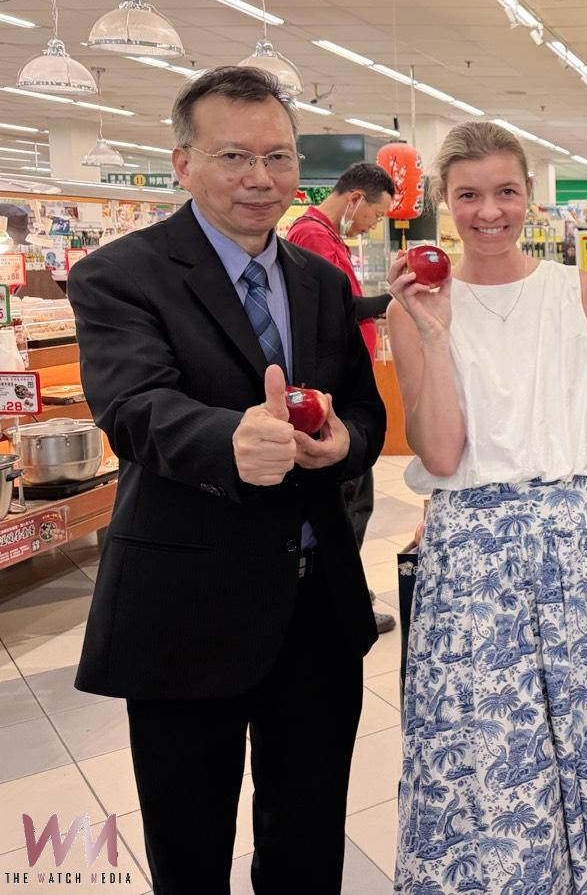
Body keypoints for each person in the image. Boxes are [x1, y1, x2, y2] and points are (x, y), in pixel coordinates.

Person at [67, 66, 387, 894]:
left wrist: (345, 442)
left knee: (308, 834)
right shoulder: (120, 275)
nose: (260, 178)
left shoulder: (321, 282)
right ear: (183, 163)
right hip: (188, 607)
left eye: (278, 157)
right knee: (189, 843)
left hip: (317, 607)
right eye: (234, 156)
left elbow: (362, 407)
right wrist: (226, 441)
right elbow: (132, 406)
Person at [387, 121, 587, 893]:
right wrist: (435, 335)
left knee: (580, 732)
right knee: (482, 741)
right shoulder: (415, 306)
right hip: (471, 553)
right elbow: (441, 454)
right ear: (444, 202)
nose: (489, 211)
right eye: (468, 195)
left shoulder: (573, 288)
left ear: (530, 196)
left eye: (506, 191)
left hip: (578, 538)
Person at [286, 160, 397, 636]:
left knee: (355, 498)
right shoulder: (311, 235)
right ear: (355, 199)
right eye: (376, 214)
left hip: (342, 389)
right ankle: (340, 598)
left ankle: (344, 589)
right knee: (349, 501)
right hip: (329, 396)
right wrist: (395, 299)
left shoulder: (327, 236)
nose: (373, 225)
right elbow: (338, 308)